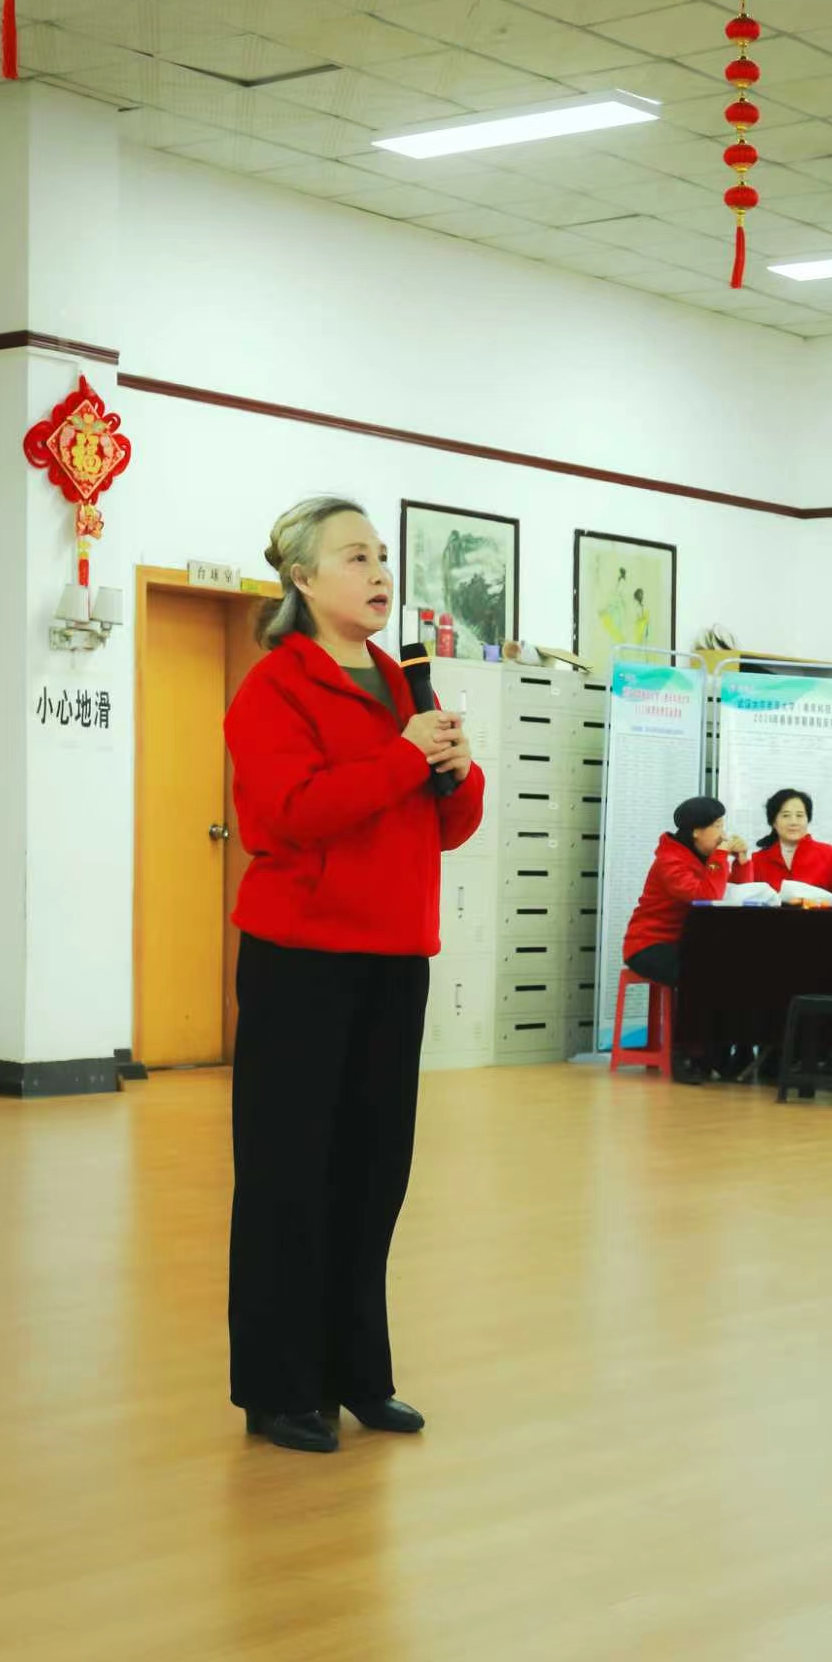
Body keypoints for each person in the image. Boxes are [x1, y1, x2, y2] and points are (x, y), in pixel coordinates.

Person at [224, 496, 484, 1454]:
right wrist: (403, 759)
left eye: (381, 556)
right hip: (303, 958)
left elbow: (446, 827)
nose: (379, 573)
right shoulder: (274, 688)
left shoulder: (402, 682)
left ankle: (358, 1374)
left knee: (374, 1175)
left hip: (393, 955)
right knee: (288, 1175)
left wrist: (457, 772)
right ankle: (279, 1389)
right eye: (355, 557)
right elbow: (289, 814)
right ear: (301, 577)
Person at [623, 796, 751, 1083]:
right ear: (696, 831)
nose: (722, 834)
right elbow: (705, 896)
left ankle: (720, 1054)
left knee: (733, 972)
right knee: (699, 977)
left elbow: (737, 895)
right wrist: (721, 856)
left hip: (688, 945)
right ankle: (685, 1055)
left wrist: (742, 861)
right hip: (650, 944)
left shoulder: (704, 856)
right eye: (717, 826)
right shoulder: (670, 860)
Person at [750, 788, 832, 897]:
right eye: (786, 815)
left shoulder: (830, 856)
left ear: (808, 819)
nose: (793, 822)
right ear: (774, 822)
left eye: (799, 815)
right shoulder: (757, 861)